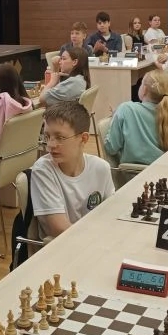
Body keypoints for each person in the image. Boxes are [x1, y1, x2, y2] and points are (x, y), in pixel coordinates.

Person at [30, 101, 115, 239]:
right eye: (47, 136)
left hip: (94, 240)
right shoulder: (43, 170)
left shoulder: (101, 168)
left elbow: (110, 213)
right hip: (62, 246)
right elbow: (59, 229)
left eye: (60, 138)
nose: (50, 144)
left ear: (83, 139)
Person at [104, 70, 168, 164]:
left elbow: (111, 148)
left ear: (144, 89)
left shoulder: (126, 109)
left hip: (134, 171)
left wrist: (115, 118)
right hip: (163, 168)